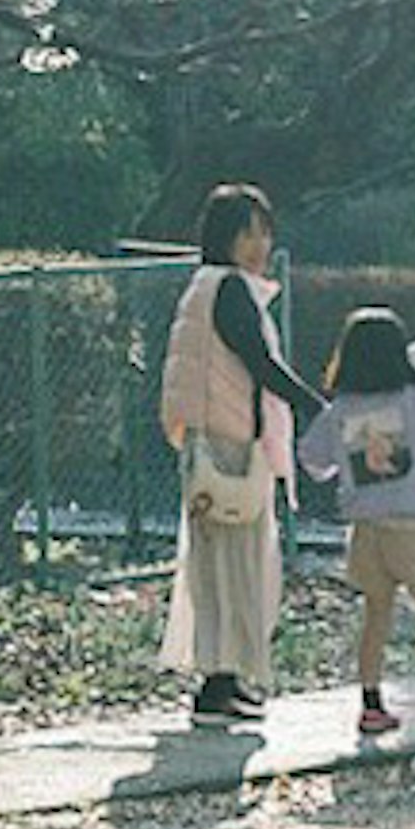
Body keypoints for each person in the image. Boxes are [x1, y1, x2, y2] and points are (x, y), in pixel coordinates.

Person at [158, 183, 325, 728]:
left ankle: (225, 679)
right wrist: (316, 407)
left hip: (217, 440)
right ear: (224, 236)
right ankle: (217, 683)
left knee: (223, 565)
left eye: (264, 232)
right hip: (227, 446)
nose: (259, 243)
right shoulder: (229, 289)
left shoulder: (206, 286)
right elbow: (260, 364)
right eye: (249, 232)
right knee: (234, 565)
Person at [297, 308, 415, 738]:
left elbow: (311, 458)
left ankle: (370, 705)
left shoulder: (342, 409)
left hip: (366, 531)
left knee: (376, 613)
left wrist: (343, 466)